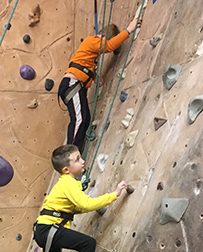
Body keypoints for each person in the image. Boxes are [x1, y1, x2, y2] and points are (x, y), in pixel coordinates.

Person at [33, 144, 129, 252]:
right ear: (66, 169)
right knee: (87, 243)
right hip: (49, 229)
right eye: (77, 159)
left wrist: (105, 201)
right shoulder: (68, 182)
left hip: (45, 229)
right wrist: (114, 194)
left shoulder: (68, 183)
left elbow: (78, 208)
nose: (83, 160)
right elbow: (86, 204)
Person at [58, 17, 142, 152]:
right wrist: (129, 29)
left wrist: (96, 78)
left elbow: (83, 64)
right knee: (79, 119)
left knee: (85, 119)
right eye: (105, 40)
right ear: (103, 36)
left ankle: (76, 154)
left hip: (76, 87)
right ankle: (70, 155)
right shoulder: (92, 40)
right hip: (72, 85)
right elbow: (109, 46)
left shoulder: (90, 52)